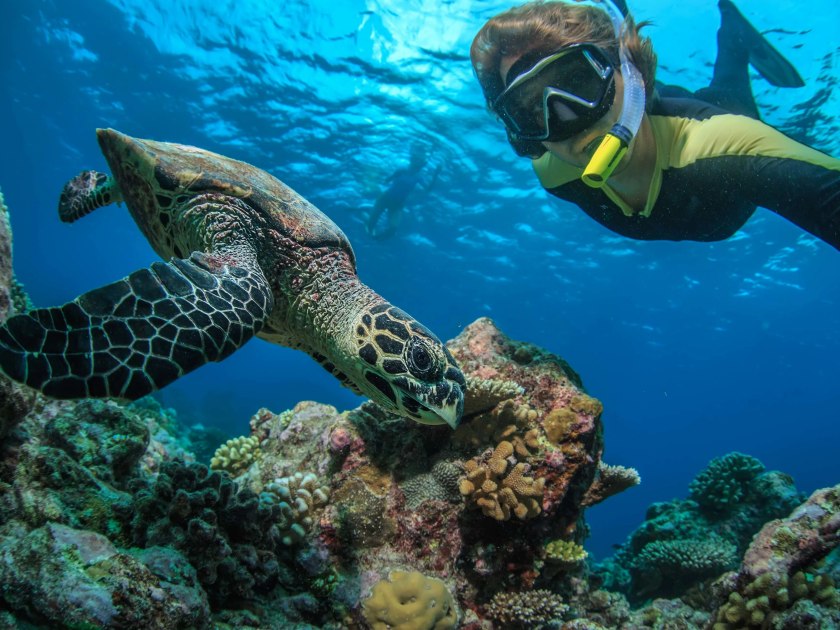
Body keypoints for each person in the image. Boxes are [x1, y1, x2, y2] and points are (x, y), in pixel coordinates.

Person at [470, 0, 840, 250]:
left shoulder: (719, 145)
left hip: (708, 109)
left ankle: (733, 35)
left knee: (729, 87)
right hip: (654, 106)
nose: (566, 119)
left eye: (577, 81)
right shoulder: (554, 172)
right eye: (531, 109)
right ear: (520, 135)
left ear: (630, 74)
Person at [365, 146, 440, 240]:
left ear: (422, 164)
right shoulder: (402, 170)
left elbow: (428, 189)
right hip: (386, 198)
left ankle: (375, 241)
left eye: (419, 161)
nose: (417, 163)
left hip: (398, 204)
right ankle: (366, 216)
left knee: (392, 230)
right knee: (371, 223)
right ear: (412, 160)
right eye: (415, 160)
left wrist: (436, 175)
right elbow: (386, 181)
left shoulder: (418, 177)